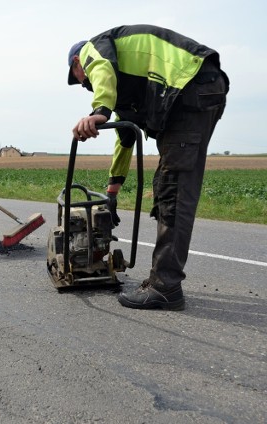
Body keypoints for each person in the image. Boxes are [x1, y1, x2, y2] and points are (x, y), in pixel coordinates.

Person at [67, 25, 229, 310]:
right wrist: (112, 191)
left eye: (78, 77)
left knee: (174, 190)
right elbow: (125, 140)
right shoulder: (130, 91)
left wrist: (99, 111)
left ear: (78, 63)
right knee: (170, 185)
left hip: (189, 87)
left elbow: (101, 68)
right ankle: (165, 282)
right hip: (194, 90)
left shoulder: (94, 48)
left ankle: (165, 286)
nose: (83, 84)